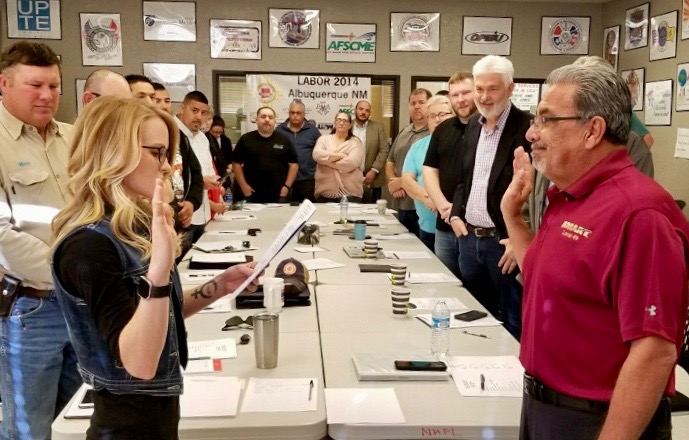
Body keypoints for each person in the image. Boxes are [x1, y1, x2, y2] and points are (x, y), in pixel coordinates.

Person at [51, 96, 260, 439]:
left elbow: (157, 313)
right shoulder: (88, 247)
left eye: (168, 156)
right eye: (156, 154)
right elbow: (140, 363)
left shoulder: (128, 229)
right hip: (125, 426)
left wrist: (219, 286)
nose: (167, 167)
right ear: (114, 153)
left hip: (158, 420)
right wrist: (160, 269)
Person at [501, 62, 689, 440]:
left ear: (593, 131)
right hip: (542, 407)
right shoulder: (567, 194)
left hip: (596, 420)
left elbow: (655, 351)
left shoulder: (639, 213)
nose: (532, 132)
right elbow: (541, 279)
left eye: (546, 119)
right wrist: (514, 216)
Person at [0, 41, 81, 440]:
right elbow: (1, 238)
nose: (47, 96)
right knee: (28, 428)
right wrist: (72, 270)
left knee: (75, 419)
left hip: (81, 306)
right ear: (4, 84)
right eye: (35, 85)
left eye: (54, 86)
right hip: (30, 310)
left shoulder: (74, 138)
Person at [449, 55, 531, 340]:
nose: (484, 96)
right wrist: (457, 214)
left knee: (512, 324)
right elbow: (465, 178)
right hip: (470, 241)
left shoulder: (528, 129)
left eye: (493, 89)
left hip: (505, 245)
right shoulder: (473, 125)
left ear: (510, 89)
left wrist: (523, 238)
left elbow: (541, 191)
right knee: (473, 325)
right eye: (479, 88)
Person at [423, 71, 477, 278]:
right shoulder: (443, 129)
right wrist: (442, 205)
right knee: (445, 284)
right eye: (455, 95)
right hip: (443, 225)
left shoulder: (487, 129)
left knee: (475, 293)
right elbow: (430, 168)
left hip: (473, 229)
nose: (461, 100)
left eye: (466, 93)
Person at [401, 95, 454, 251]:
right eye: (432, 116)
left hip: (455, 230)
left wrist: (439, 202)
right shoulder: (418, 147)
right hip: (427, 228)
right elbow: (406, 180)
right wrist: (429, 197)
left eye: (443, 114)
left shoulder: (464, 143)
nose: (437, 120)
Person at [174, 91, 222, 242]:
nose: (199, 117)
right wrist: (202, 180)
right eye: (194, 111)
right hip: (180, 213)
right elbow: (171, 174)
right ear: (182, 108)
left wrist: (213, 181)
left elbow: (207, 169)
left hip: (201, 211)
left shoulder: (203, 138)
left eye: (203, 113)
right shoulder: (171, 133)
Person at [386, 89, 432, 236]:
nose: (416, 106)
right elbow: (390, 160)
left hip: (420, 205)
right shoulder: (404, 131)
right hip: (399, 202)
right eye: (413, 103)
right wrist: (393, 183)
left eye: (421, 103)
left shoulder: (433, 134)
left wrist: (403, 182)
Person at [232, 107, 298, 203]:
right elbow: (236, 163)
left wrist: (287, 187)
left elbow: (294, 164)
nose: (267, 120)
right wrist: (244, 186)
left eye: (270, 117)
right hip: (251, 194)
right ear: (257, 120)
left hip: (279, 195)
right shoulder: (246, 139)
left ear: (275, 120)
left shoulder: (284, 140)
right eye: (263, 116)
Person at [313, 111, 365, 202]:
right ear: (335, 122)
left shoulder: (356, 142)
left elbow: (351, 163)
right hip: (324, 193)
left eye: (345, 121)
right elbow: (317, 155)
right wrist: (341, 155)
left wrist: (326, 162)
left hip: (350, 194)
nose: (341, 123)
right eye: (339, 120)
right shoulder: (324, 139)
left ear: (350, 125)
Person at [275, 100, 321, 202]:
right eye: (292, 112)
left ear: (304, 114)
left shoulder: (313, 131)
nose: (295, 115)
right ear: (289, 113)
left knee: (305, 211)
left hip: (307, 180)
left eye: (298, 113)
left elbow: (321, 152)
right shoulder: (279, 130)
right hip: (283, 180)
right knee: (282, 212)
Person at [352, 100, 389, 202]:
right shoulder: (347, 127)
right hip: (349, 177)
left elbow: (384, 149)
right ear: (355, 110)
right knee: (351, 210)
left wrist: (374, 170)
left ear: (370, 113)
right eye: (361, 109)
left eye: (367, 110)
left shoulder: (377, 127)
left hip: (373, 177)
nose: (364, 112)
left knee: (372, 212)